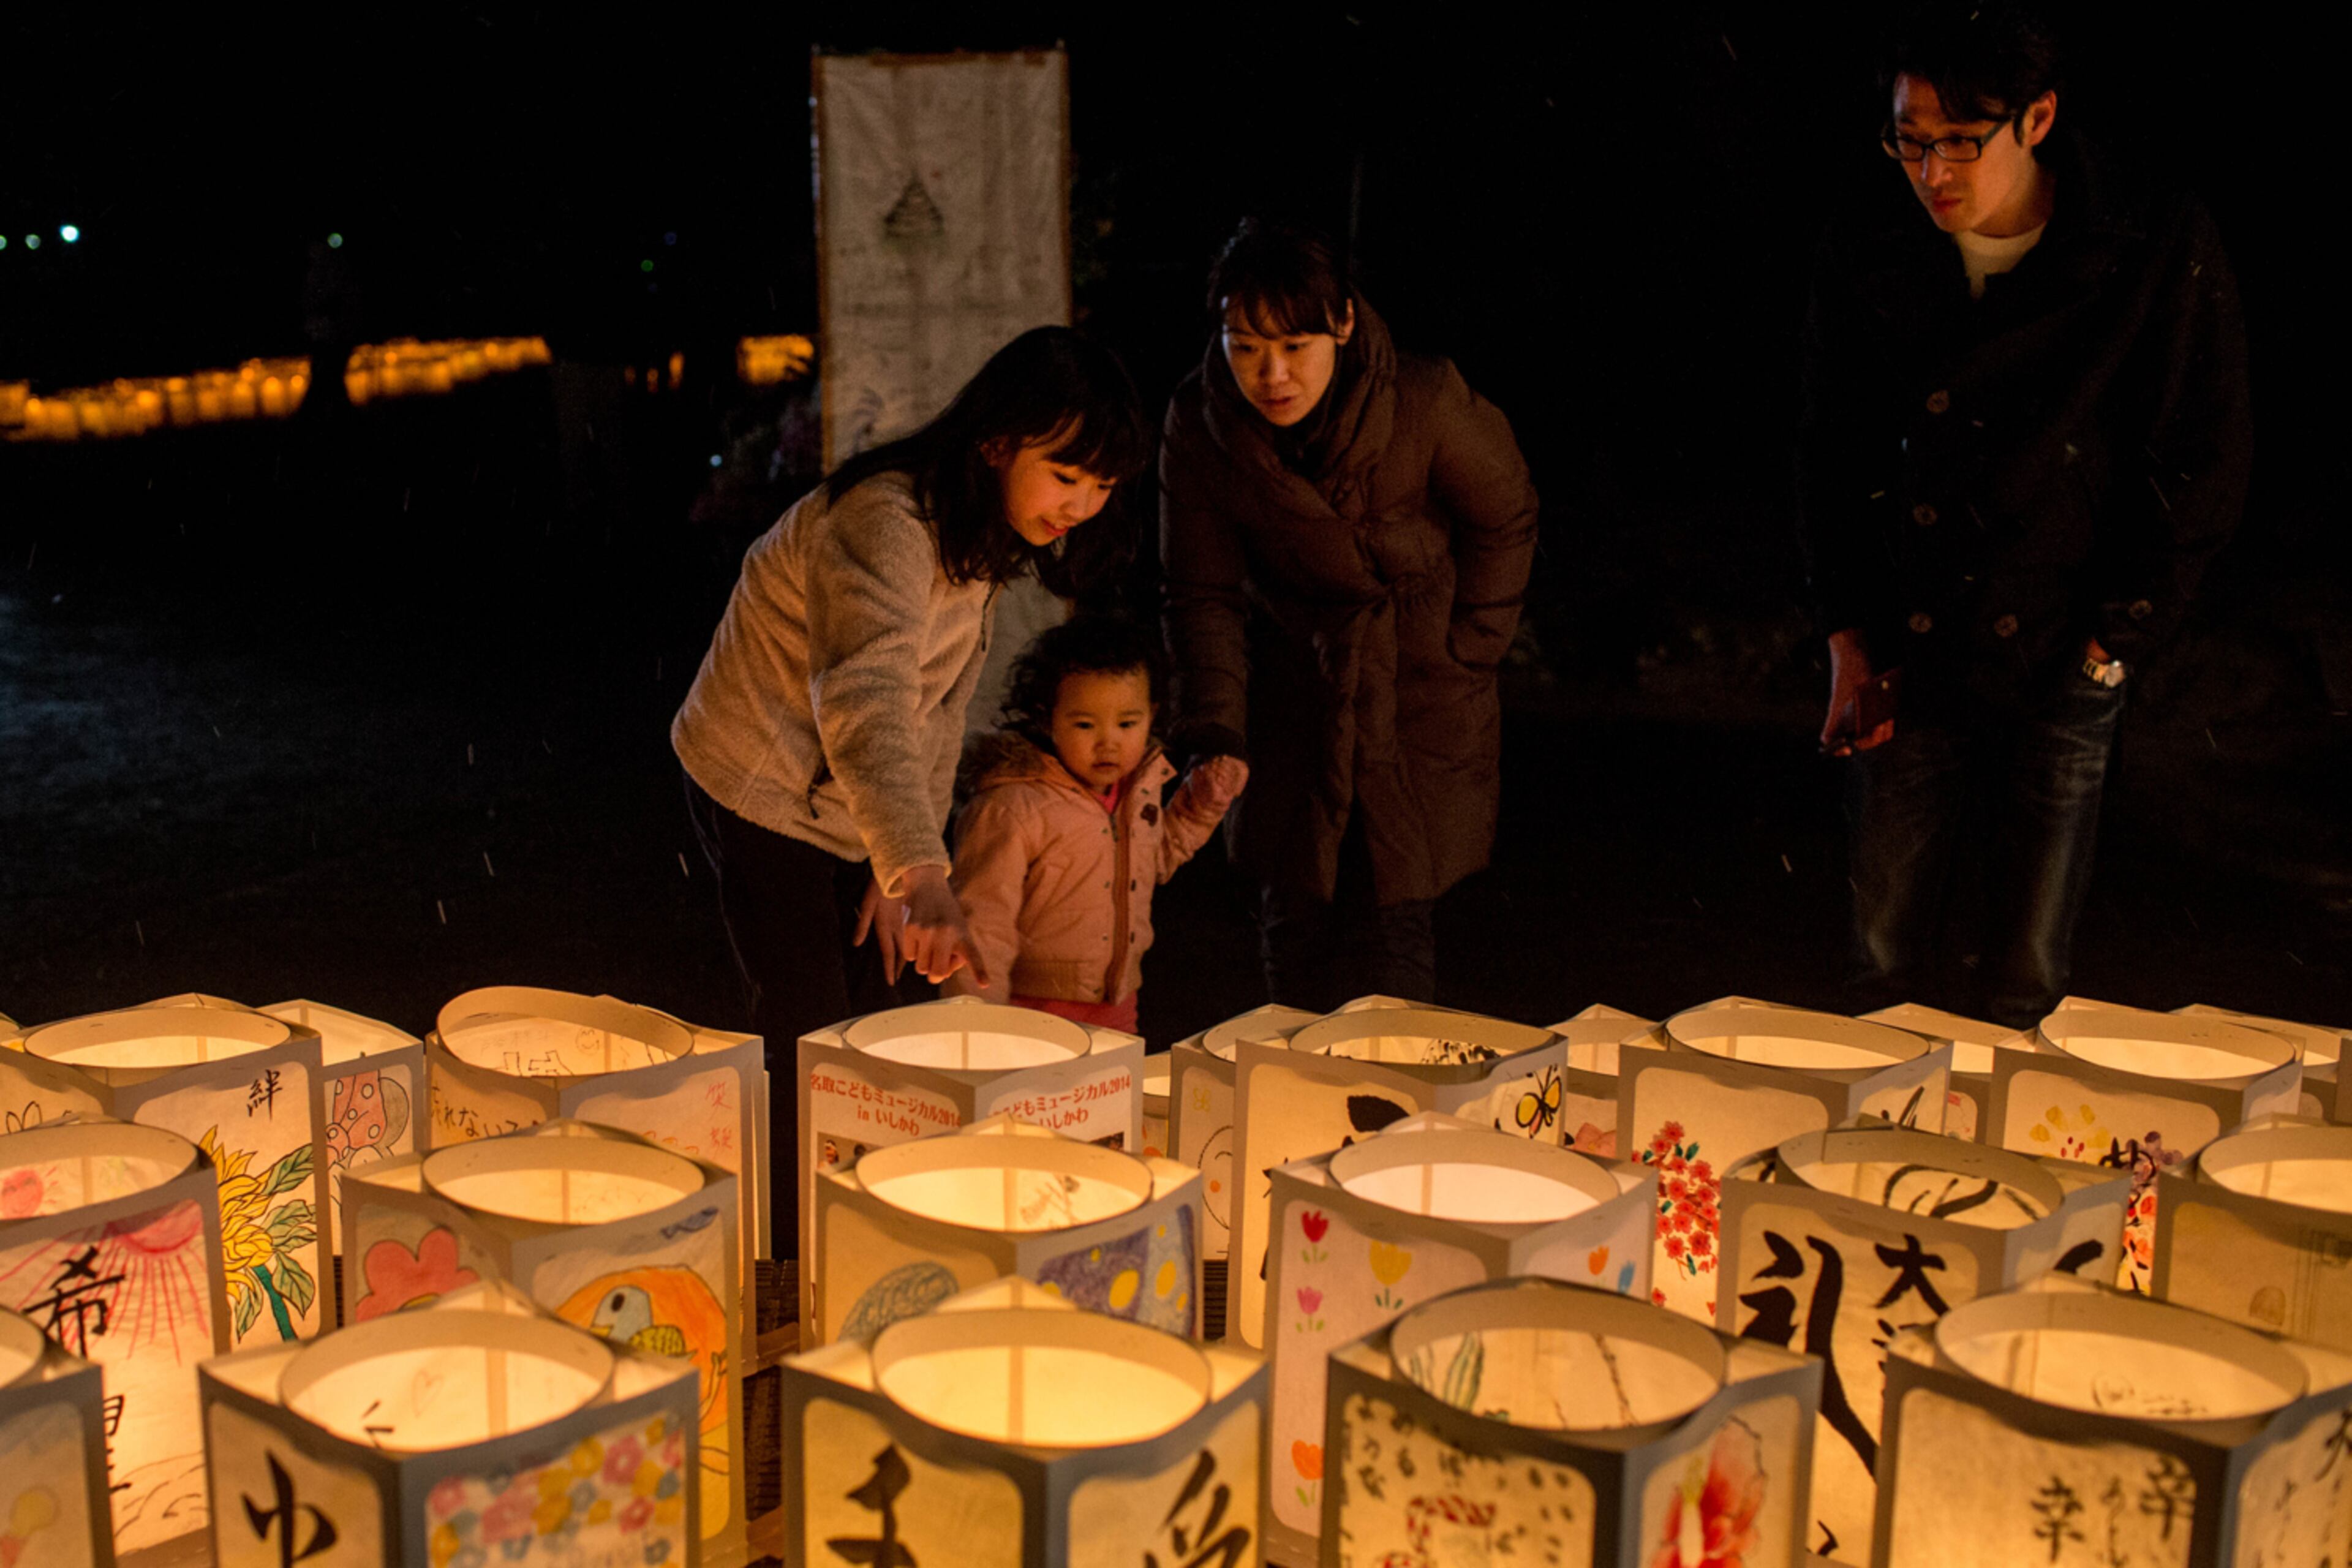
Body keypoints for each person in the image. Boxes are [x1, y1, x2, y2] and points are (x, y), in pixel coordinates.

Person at [1798, 2, 2250, 1027]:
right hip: (1907, 642)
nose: (1933, 173)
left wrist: (2113, 642)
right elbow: (1827, 451)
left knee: (2024, 977)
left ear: (2037, 120)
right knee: (1878, 965)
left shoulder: (2141, 238)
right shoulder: (1871, 243)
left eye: (1962, 142)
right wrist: (1845, 633)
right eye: (1911, 142)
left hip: (2061, 638)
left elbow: (2205, 451)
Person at [673, 326, 1150, 1257]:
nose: (1081, 506)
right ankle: (788, 1254)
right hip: (759, 779)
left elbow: (936, 710)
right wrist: (919, 874)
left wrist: (901, 867)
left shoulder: (979, 536)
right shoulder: (885, 522)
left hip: (854, 794)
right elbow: (867, 701)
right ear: (998, 441)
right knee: (806, 1033)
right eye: (1066, 476)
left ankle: (864, 1218)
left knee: (877, 1015)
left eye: (1101, 487)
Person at [1159, 220, 1539, 1012]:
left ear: (1341, 324)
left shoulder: (1424, 399)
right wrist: (1219, 733)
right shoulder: (1200, 424)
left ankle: (1392, 1122)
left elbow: (1506, 514)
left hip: (1417, 698)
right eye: (1246, 345)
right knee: (1293, 930)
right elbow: (1202, 593)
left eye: (1294, 345)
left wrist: (1469, 647)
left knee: (1392, 931)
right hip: (1294, 696)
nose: (1271, 374)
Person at [942, 615, 1249, 1033]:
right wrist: (977, 1027)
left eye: (1127, 723)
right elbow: (981, 926)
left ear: (1152, 715)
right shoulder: (1012, 806)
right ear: (1046, 717)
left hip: (1118, 1006)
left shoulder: (1136, 792)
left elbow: (1152, 859)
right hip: (1031, 1011)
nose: (1109, 742)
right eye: (1085, 724)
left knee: (1113, 1099)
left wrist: (1199, 809)